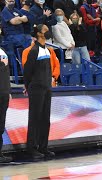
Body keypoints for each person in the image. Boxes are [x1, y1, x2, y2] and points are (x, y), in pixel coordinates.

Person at [22, 24, 58, 159]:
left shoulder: (48, 50)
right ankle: (31, 148)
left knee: (45, 119)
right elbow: (27, 71)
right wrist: (28, 85)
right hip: (36, 88)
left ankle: (43, 147)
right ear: (39, 34)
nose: (48, 32)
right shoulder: (34, 50)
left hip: (47, 88)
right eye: (45, 30)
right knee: (34, 119)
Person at [0, 49, 13, 163]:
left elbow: (5, 74)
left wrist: (8, 91)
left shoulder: (2, 51)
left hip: (3, 92)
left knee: (1, 125)